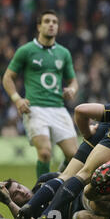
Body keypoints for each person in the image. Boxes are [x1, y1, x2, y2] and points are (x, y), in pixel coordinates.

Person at [2, 10, 79, 177]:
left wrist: (71, 90)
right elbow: (8, 77)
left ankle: (55, 183)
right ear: (39, 26)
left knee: (74, 156)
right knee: (45, 152)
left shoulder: (63, 53)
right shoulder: (26, 50)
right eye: (47, 21)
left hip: (58, 109)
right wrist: (17, 100)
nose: (51, 24)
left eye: (55, 22)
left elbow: (73, 81)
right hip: (35, 108)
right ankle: (41, 194)